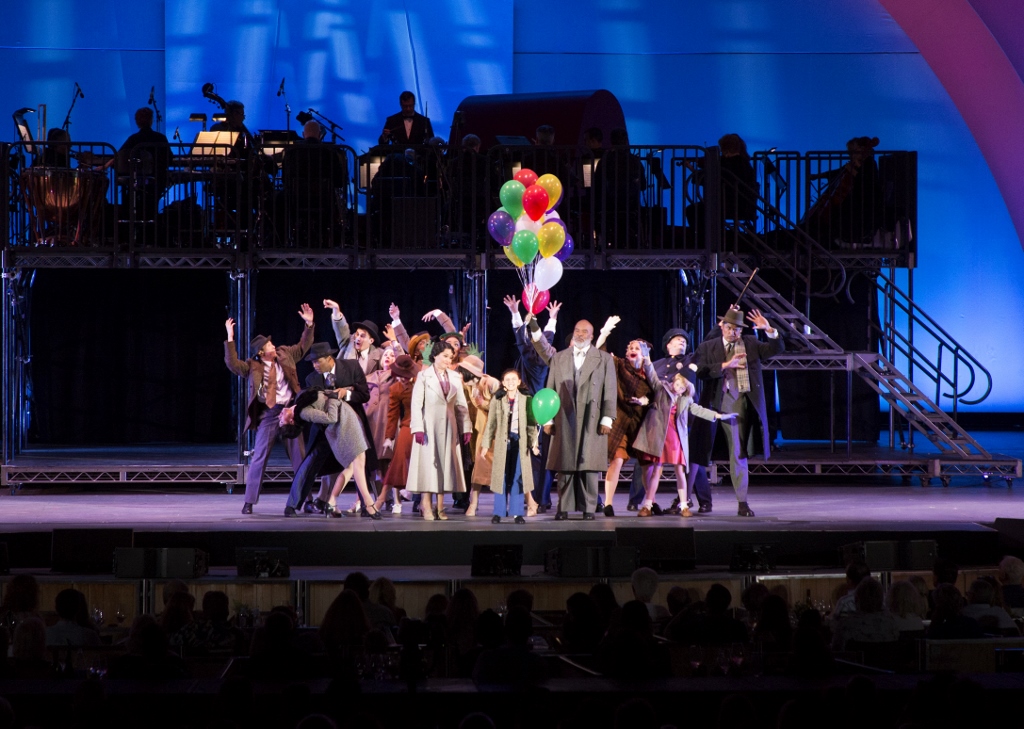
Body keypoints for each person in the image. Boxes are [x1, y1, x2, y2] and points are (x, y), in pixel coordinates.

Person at [693, 305, 783, 516]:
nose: (733, 332)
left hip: (738, 403)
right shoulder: (709, 346)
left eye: (738, 329)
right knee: (697, 452)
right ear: (722, 326)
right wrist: (725, 365)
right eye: (730, 327)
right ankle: (684, 499)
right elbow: (702, 372)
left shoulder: (750, 343)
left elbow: (774, 349)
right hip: (714, 404)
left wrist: (769, 330)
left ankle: (742, 502)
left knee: (738, 453)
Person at [224, 304, 314, 514]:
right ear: (262, 352)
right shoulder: (252, 367)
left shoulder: (285, 354)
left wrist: (309, 324)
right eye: (270, 344)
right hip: (269, 415)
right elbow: (232, 364)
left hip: (289, 412)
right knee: (259, 458)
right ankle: (249, 501)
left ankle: (306, 499)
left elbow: (303, 346)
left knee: (300, 457)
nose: (274, 345)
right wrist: (230, 338)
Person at [633, 341, 734, 517]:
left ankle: (683, 504)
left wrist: (719, 416)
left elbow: (699, 410)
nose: (678, 388)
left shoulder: (685, 400)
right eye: (677, 384)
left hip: (676, 440)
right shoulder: (662, 391)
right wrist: (646, 358)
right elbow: (651, 374)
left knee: (680, 471)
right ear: (673, 382)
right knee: (656, 470)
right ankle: (647, 504)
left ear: (686, 389)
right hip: (661, 439)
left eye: (682, 387)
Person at [283, 341, 375, 517]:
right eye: (312, 362)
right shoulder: (312, 379)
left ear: (329, 358)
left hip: (350, 425)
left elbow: (364, 395)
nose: (315, 365)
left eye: (318, 361)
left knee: (359, 463)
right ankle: (292, 505)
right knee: (310, 462)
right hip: (326, 427)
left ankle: (366, 506)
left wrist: (346, 393)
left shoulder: (351, 367)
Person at [537, 319, 617, 520]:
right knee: (565, 464)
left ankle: (588, 508)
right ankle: (562, 507)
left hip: (592, 417)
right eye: (576, 330)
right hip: (565, 416)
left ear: (592, 335)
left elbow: (610, 389)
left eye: (585, 331)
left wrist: (607, 418)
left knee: (588, 466)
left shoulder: (604, 358)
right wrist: (547, 419)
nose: (580, 334)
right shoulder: (559, 358)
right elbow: (550, 388)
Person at [281, 386, 380, 519]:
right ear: (291, 421)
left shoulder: (300, 401)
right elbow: (330, 417)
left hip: (344, 420)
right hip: (338, 426)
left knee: (352, 466)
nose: (279, 415)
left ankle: (333, 502)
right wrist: (334, 397)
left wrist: (341, 390)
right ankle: (368, 504)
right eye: (281, 420)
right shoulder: (303, 411)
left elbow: (324, 396)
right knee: (355, 462)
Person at [406, 340, 473, 520]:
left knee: (444, 465)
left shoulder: (454, 377)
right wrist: (418, 428)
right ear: (435, 355)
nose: (448, 360)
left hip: (449, 427)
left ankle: (440, 506)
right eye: (445, 356)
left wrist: (465, 427)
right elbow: (416, 404)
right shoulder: (423, 376)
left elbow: (461, 405)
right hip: (429, 425)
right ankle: (426, 504)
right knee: (429, 464)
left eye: (450, 357)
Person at [599, 328, 655, 517]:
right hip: (621, 419)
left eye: (636, 347)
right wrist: (605, 332)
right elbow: (600, 354)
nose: (631, 349)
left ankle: (650, 502)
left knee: (647, 465)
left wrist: (644, 401)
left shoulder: (650, 373)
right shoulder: (619, 365)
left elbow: (655, 395)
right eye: (629, 346)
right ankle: (608, 503)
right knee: (617, 459)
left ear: (644, 353)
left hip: (641, 423)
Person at [479, 369, 540, 524]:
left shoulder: (527, 399)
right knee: (501, 476)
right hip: (502, 443)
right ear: (504, 383)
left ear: (519, 382)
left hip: (520, 443)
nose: (511, 382)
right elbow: (491, 423)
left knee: (518, 477)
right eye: (508, 379)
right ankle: (498, 512)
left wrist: (534, 444)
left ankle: (517, 512)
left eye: (514, 379)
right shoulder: (497, 399)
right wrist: (486, 445)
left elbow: (531, 425)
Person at [280, 119, 347, 246]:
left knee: (278, 199)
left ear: (303, 134)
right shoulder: (330, 152)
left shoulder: (291, 152)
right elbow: (339, 181)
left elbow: (285, 180)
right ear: (320, 135)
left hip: (296, 200)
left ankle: (281, 241)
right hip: (324, 201)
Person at [382, 355, 420, 513]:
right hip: (408, 424)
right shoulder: (395, 389)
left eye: (406, 376)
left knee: (420, 459)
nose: (404, 379)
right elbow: (393, 414)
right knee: (399, 455)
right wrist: (389, 437)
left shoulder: (421, 382)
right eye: (401, 376)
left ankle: (417, 494)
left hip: (424, 423)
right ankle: (397, 498)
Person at [325, 299, 383, 374]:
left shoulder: (378, 354)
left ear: (371, 340)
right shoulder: (347, 343)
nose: (358, 338)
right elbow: (341, 329)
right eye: (357, 334)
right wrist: (336, 310)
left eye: (362, 336)